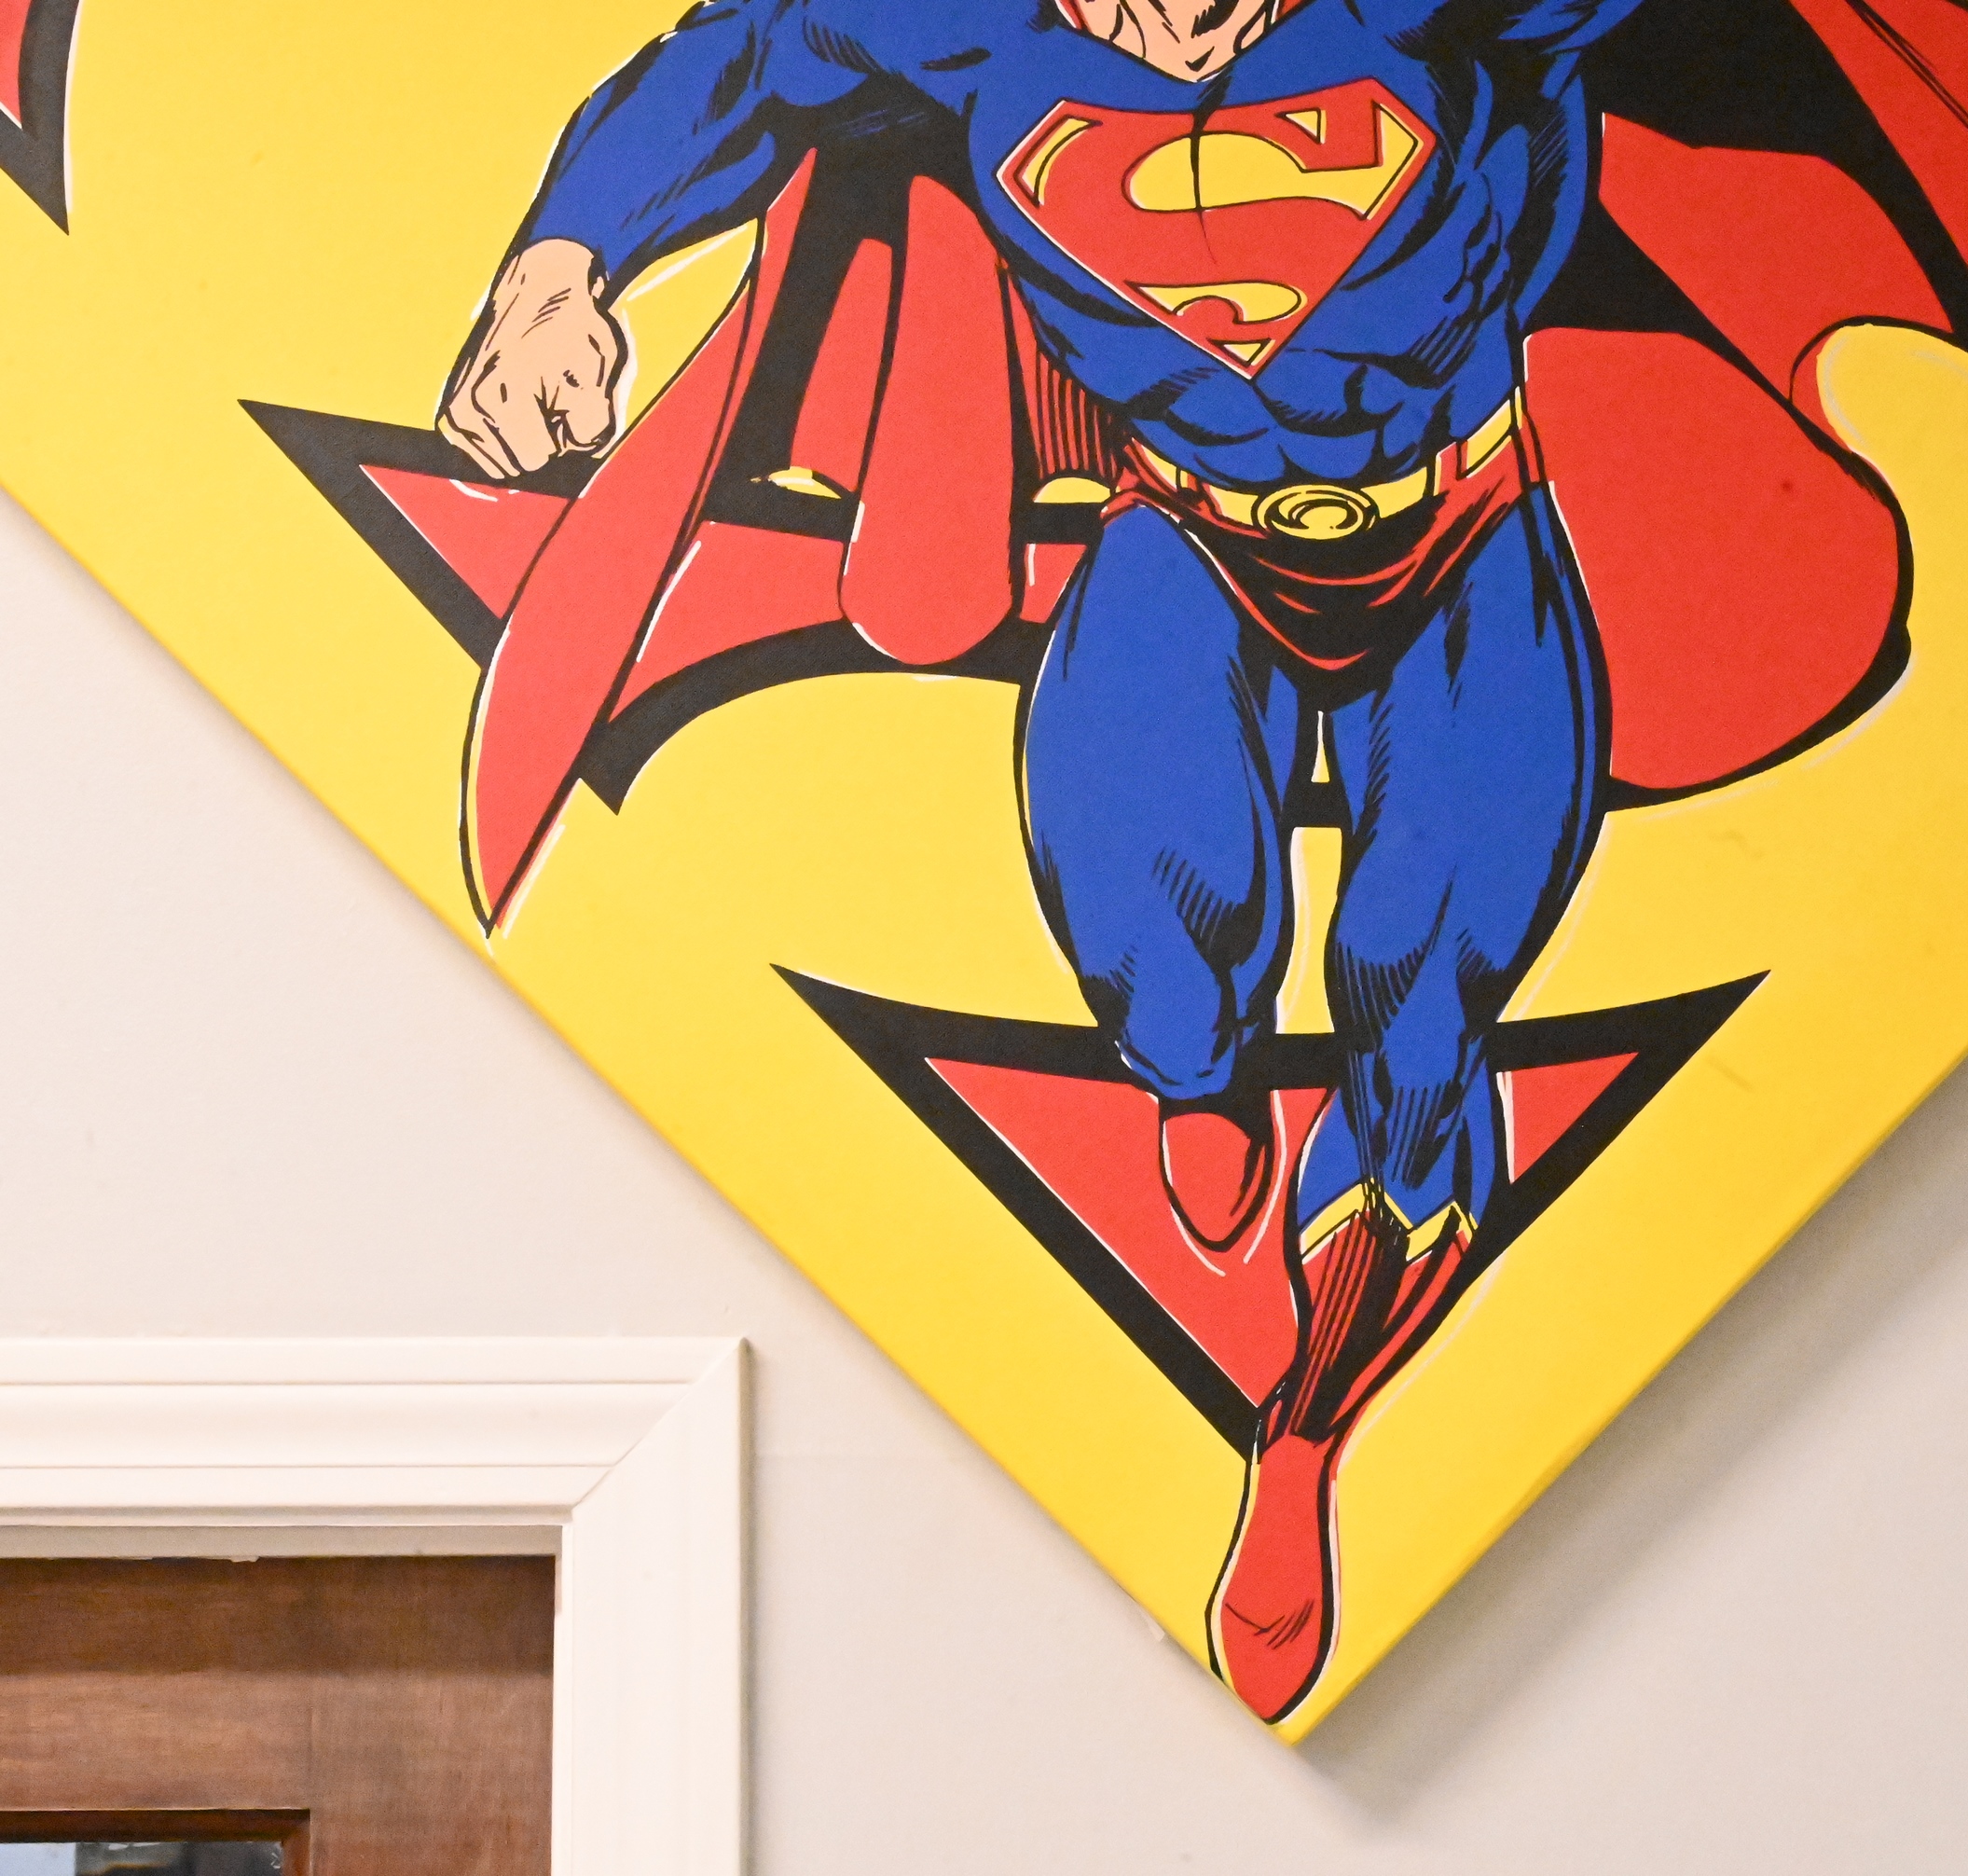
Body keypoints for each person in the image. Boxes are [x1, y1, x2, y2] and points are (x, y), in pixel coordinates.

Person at [442, 0, 1654, 1722]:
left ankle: (1305, 1425)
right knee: (1146, 924)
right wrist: (560, 268)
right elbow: (745, 54)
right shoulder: (961, 25)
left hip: (1463, 530)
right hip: (1189, 532)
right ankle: (1202, 1079)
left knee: (1421, 996)